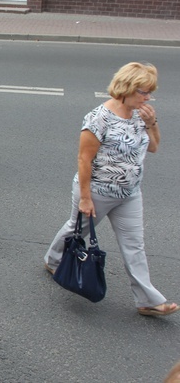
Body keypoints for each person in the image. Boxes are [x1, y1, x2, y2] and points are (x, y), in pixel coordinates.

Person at [44, 62, 177, 317]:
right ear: (125, 88)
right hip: (98, 192)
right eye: (143, 91)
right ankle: (53, 260)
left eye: (150, 92)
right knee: (76, 229)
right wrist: (85, 198)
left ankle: (147, 300)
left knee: (134, 245)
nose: (147, 97)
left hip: (130, 194)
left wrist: (153, 123)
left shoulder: (141, 114)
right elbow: (84, 159)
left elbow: (154, 147)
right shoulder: (99, 118)